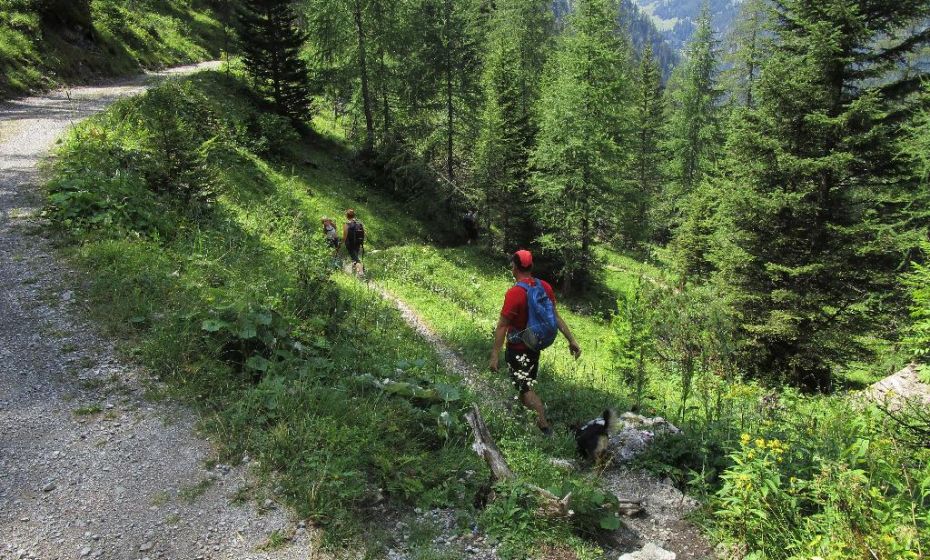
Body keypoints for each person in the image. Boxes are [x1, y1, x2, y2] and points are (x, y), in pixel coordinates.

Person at [488, 250, 581, 435]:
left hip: (517, 349)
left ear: (514, 267)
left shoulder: (515, 293)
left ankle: (544, 427)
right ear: (531, 267)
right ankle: (528, 421)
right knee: (525, 385)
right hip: (535, 346)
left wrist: (495, 355)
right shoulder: (544, 286)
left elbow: (502, 326)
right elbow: (555, 317)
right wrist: (572, 340)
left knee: (525, 388)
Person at [342, 208, 365, 276]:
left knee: (356, 259)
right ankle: (355, 271)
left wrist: (341, 242)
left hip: (350, 244)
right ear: (354, 215)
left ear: (347, 216)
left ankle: (361, 273)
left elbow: (345, 236)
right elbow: (364, 232)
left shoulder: (346, 224)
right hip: (358, 242)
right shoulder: (359, 223)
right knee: (355, 257)